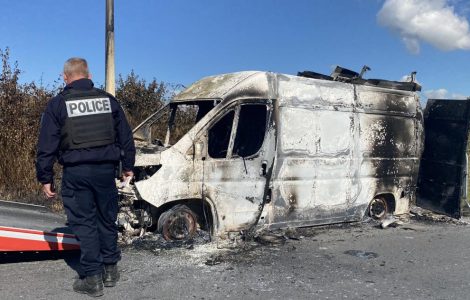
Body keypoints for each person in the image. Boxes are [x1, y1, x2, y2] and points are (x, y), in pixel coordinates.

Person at [36, 57, 135, 297]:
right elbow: (125, 136)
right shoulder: (108, 100)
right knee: (106, 218)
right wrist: (128, 166)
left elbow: (47, 144)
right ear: (88, 76)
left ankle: (93, 278)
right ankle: (110, 269)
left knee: (85, 223)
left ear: (65, 77)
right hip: (105, 172)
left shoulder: (58, 104)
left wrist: (45, 177)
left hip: (77, 173)